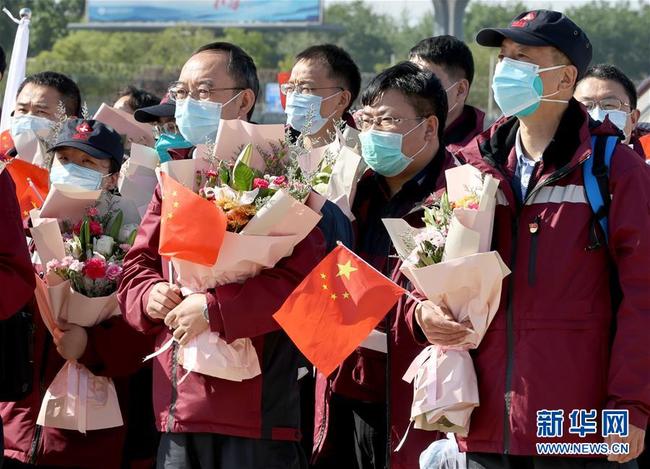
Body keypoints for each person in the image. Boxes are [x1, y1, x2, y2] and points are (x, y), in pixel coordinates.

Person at [412, 10, 649, 468]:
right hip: (482, 424)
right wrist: (422, 310)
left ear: (564, 78)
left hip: (577, 430)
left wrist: (631, 409)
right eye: (503, 58)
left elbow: (642, 298)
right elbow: (425, 267)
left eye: (522, 57)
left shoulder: (616, 170)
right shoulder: (468, 164)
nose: (505, 71)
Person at [118, 42, 326, 469]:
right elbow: (137, 265)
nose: (188, 103)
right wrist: (150, 294)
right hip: (179, 404)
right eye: (182, 92)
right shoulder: (173, 177)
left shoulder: (286, 176)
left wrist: (215, 309)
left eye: (204, 91)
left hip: (258, 410)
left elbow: (299, 282)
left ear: (244, 99)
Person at [312, 62, 455, 469]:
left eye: (389, 120)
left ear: (429, 128)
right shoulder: (350, 192)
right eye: (367, 119)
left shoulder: (459, 195)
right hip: (342, 387)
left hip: (416, 399)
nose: (373, 132)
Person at [0, 118, 154, 469]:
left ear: (112, 177)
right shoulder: (22, 231)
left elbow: (144, 336)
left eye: (88, 163)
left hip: (91, 439)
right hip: (17, 431)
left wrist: (91, 346)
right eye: (65, 159)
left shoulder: (130, 244)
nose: (73, 169)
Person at [409, 35, 486, 154]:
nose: (413, 87)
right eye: (409, 78)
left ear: (460, 90)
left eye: (425, 79)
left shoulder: (481, 155)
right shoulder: (399, 137)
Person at [284, 44, 361, 148]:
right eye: (290, 88)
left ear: (342, 100)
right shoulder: (274, 150)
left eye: (306, 88)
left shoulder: (364, 156)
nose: (294, 97)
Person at [1, 71, 82, 159]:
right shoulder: (3, 164)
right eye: (22, 110)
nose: (28, 119)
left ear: (69, 123)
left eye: (41, 111)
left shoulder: (79, 170)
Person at [575, 63, 650, 158]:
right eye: (586, 106)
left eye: (609, 105)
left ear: (633, 118)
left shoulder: (646, 166)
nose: (598, 116)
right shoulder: (554, 165)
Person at [133, 94, 193, 163]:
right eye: (159, 129)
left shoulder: (204, 157)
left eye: (171, 126)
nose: (164, 136)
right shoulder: (159, 160)